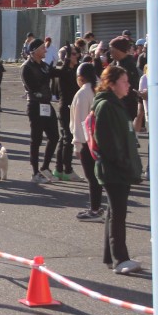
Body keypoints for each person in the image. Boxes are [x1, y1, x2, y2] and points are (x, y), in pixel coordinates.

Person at [93, 65, 143, 274]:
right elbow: (107, 141)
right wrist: (123, 163)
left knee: (114, 212)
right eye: (124, 81)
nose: (128, 85)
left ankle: (111, 256)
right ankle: (120, 258)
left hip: (118, 168)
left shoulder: (116, 104)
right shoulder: (106, 106)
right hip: (114, 169)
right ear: (111, 84)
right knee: (118, 214)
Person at [22, 37, 61, 183]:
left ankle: (45, 167)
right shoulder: (27, 67)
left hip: (46, 104)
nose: (45, 50)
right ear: (34, 51)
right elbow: (33, 86)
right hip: (35, 105)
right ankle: (35, 173)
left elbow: (56, 73)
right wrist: (47, 76)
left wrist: (69, 65)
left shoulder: (44, 65)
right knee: (36, 139)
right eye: (43, 48)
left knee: (54, 136)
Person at [70, 62, 102, 220]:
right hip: (100, 139)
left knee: (91, 177)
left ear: (80, 78)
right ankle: (97, 207)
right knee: (98, 176)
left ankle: (95, 209)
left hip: (87, 141)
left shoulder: (83, 94)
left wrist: (77, 144)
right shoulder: (99, 89)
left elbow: (80, 121)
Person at [52, 44, 80, 180]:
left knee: (65, 138)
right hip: (65, 108)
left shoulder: (73, 70)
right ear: (67, 57)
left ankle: (60, 169)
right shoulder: (63, 71)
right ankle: (66, 170)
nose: (77, 56)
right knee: (67, 138)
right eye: (74, 54)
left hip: (71, 107)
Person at [108, 36, 141, 121]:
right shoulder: (115, 64)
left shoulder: (129, 66)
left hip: (126, 109)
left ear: (120, 50)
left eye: (112, 49)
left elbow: (131, 90)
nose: (110, 52)